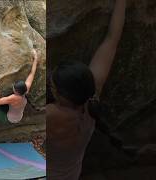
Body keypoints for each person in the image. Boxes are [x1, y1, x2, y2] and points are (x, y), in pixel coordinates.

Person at [47, 0, 126, 180]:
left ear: (60, 94)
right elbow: (112, 39)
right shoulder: (92, 99)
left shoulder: (52, 116)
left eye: (52, 86)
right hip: (72, 174)